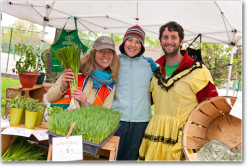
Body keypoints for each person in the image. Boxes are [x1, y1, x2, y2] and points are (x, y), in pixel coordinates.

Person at [138, 21, 219, 161]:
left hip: (183, 137)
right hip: (155, 134)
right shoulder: (156, 73)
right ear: (160, 41)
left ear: (181, 41)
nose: (169, 41)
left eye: (174, 37)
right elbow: (145, 101)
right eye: (165, 37)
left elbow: (212, 108)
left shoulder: (199, 71)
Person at [111, 25, 157, 160]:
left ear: (142, 46)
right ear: (124, 42)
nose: (133, 45)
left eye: (138, 42)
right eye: (130, 40)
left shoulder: (150, 64)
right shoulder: (114, 62)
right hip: (116, 119)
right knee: (112, 157)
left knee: (132, 158)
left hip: (141, 121)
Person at [46, 36, 120, 109]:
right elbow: (49, 98)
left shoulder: (109, 85)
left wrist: (86, 104)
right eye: (101, 51)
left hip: (86, 121)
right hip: (61, 119)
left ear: (113, 56)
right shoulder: (75, 71)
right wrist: (63, 86)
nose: (106, 55)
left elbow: (105, 114)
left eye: (110, 52)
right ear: (94, 53)